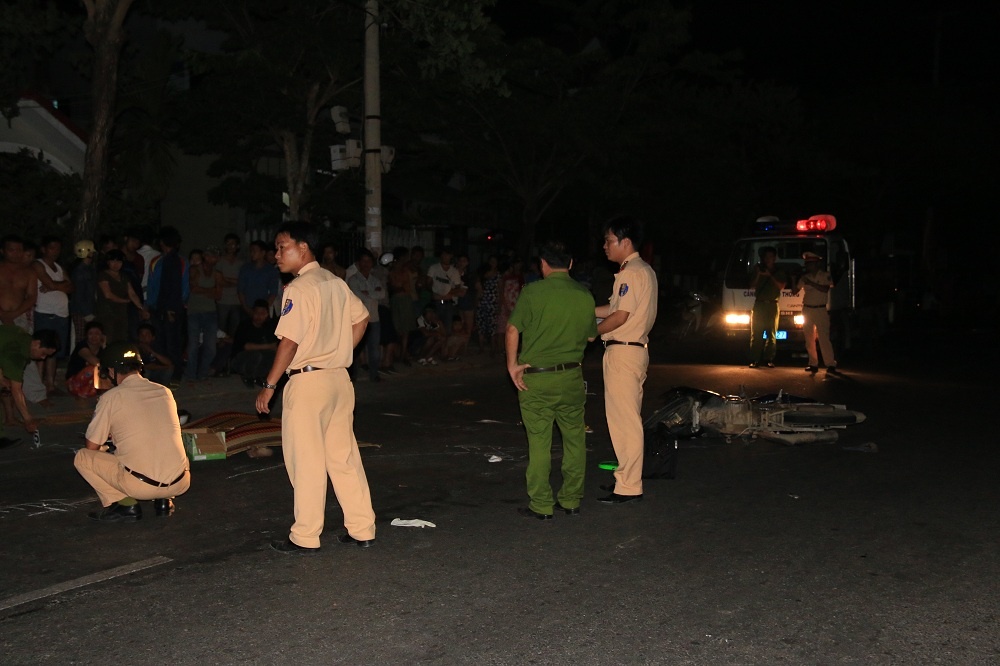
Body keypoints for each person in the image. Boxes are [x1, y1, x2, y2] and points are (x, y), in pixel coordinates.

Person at [255, 221, 375, 554]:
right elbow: (362, 318)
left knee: (306, 460)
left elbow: (289, 342)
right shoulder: (334, 282)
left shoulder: (299, 288)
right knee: (344, 458)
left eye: (282, 247)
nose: (276, 254)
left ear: (303, 247)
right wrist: (339, 351)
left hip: (308, 382)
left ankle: (305, 535)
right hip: (338, 379)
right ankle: (362, 528)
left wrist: (269, 385)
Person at [506, 241, 597, 519]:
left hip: (537, 378)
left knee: (539, 442)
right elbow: (591, 336)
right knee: (574, 439)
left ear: (543, 264)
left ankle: (541, 504)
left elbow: (512, 329)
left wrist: (512, 366)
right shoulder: (584, 294)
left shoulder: (533, 292)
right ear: (570, 264)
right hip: (571, 376)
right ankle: (571, 499)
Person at [73, 342, 190, 522]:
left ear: (111, 370)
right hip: (180, 482)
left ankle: (124, 505)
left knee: (83, 457)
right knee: (165, 444)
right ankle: (164, 500)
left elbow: (91, 446)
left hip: (141, 486)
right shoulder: (164, 391)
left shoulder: (111, 397)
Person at [595, 216, 658, 504]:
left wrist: (590, 333)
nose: (605, 246)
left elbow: (620, 317)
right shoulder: (641, 270)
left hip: (624, 351)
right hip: (633, 351)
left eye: (609, 240)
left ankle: (629, 486)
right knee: (625, 420)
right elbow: (613, 308)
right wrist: (583, 311)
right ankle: (625, 478)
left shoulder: (631, 273)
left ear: (625, 241)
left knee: (625, 423)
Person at [0, 327, 58, 442]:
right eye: (43, 353)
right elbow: (17, 390)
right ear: (37, 343)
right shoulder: (17, 353)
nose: (43, 358)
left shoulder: (25, 339)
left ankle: (9, 420)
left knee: (6, 383)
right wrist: (28, 419)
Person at [145, 227, 189, 378]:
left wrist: (170, 308)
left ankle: (173, 374)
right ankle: (166, 373)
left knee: (170, 343)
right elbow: (183, 288)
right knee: (165, 342)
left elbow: (179, 287)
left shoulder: (176, 262)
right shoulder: (159, 261)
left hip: (167, 308)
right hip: (163, 308)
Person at [33, 236, 74, 394]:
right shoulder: (38, 264)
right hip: (45, 312)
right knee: (41, 348)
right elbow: (48, 282)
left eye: (58, 248)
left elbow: (71, 287)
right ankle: (38, 385)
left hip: (61, 313)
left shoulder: (59, 267)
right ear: (43, 249)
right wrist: (58, 285)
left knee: (54, 350)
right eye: (52, 248)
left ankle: (50, 384)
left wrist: (53, 286)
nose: (55, 251)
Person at [347, 249, 385, 382]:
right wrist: (372, 293)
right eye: (363, 261)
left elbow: (382, 294)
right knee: (356, 348)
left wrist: (367, 293)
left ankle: (374, 374)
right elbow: (358, 296)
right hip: (358, 320)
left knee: (374, 349)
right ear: (358, 263)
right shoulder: (353, 279)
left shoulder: (375, 279)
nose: (366, 264)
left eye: (369, 261)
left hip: (373, 318)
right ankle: (353, 375)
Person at [798, 251, 838, 374]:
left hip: (820, 309)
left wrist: (810, 283)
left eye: (810, 263)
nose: (808, 266)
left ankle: (830, 364)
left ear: (817, 264)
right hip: (807, 309)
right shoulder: (805, 277)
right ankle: (813, 363)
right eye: (807, 264)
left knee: (824, 338)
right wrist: (794, 279)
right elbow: (795, 290)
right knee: (809, 338)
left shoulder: (825, 275)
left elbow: (825, 289)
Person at [185, 246, 222, 381]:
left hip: (210, 312)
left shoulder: (217, 274)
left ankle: (202, 372)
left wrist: (204, 290)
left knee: (211, 347)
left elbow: (218, 295)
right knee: (193, 345)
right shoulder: (195, 270)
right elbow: (193, 289)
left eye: (216, 256)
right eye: (211, 255)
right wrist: (210, 290)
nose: (214, 259)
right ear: (205, 256)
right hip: (194, 312)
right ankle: (191, 374)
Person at [748, 246, 787, 368]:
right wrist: (758, 274)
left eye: (771, 256)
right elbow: (752, 286)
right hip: (759, 304)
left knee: (772, 334)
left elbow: (781, 286)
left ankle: (768, 359)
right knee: (756, 333)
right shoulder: (758, 270)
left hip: (772, 304)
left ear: (775, 258)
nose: (768, 259)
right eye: (766, 257)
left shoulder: (779, 272)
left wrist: (770, 275)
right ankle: (755, 359)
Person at [95, 249, 144, 344]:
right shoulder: (103, 275)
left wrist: (141, 307)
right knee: (108, 338)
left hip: (121, 313)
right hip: (107, 313)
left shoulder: (124, 276)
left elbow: (132, 293)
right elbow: (108, 295)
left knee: (121, 338)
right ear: (108, 262)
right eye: (113, 261)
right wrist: (125, 301)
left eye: (119, 261)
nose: (116, 264)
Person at [230, 300, 278, 387]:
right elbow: (246, 346)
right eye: (256, 313)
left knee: (273, 355)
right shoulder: (245, 325)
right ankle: (247, 376)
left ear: (267, 314)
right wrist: (268, 346)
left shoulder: (269, 326)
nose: (259, 316)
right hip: (239, 359)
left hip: (259, 356)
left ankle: (259, 376)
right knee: (256, 355)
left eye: (262, 313)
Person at [0, 235, 39, 331]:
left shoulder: (30, 272)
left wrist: (14, 314)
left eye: (19, 250)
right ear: (2, 251)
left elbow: (32, 297)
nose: (16, 254)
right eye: (12, 250)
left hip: (19, 316)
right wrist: (2, 314)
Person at [426, 248, 465, 333]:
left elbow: (458, 287)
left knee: (448, 328)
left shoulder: (454, 271)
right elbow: (428, 283)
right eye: (445, 255)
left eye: (448, 256)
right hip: (436, 302)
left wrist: (447, 292)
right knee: (435, 327)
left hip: (448, 303)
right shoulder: (434, 268)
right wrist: (435, 290)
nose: (446, 258)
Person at [238, 240, 280, 317]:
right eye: (251, 251)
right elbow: (240, 291)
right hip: (246, 308)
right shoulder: (245, 269)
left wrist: (262, 311)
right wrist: (247, 309)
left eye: (254, 251)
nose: (252, 253)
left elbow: (273, 293)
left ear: (263, 253)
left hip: (263, 311)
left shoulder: (271, 271)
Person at [65, 321, 105, 399]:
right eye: (90, 334)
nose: (94, 337)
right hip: (75, 381)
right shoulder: (82, 346)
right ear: (86, 335)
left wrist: (104, 346)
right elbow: (96, 362)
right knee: (93, 368)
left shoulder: (103, 348)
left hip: (92, 382)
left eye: (97, 334)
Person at [69, 240, 98, 344]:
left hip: (89, 309)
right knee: (81, 339)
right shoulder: (80, 271)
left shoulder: (90, 268)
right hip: (81, 312)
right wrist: (87, 313)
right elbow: (78, 294)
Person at [217, 233, 244, 338]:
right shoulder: (219, 261)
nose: (230, 246)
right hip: (222, 300)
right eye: (228, 243)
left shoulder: (241, 263)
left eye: (233, 244)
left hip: (237, 301)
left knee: (235, 329)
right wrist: (235, 282)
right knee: (221, 329)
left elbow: (242, 281)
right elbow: (219, 280)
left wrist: (226, 279)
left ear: (237, 246)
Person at [474, 255, 501, 355]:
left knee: (492, 326)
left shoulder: (497, 275)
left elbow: (500, 291)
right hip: (482, 303)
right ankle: (482, 348)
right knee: (481, 325)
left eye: (494, 261)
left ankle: (493, 348)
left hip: (492, 303)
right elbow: (477, 291)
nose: (492, 263)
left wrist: (499, 305)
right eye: (491, 261)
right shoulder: (481, 275)